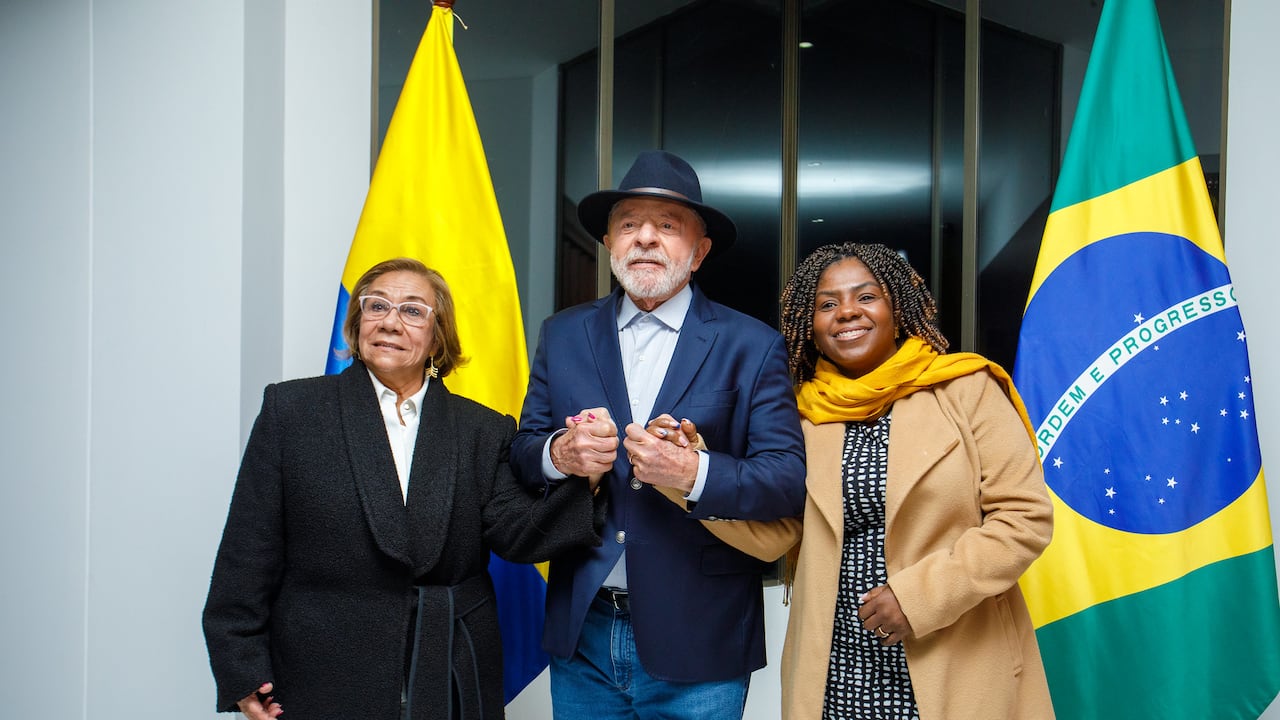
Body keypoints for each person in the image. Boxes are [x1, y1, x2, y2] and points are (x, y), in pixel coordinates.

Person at [202, 258, 603, 720]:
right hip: (320, 671)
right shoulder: (292, 411)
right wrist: (242, 668)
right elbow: (248, 552)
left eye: (412, 311)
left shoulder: (482, 428)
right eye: (377, 307)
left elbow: (516, 532)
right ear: (356, 324)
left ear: (438, 336)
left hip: (448, 668)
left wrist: (586, 477)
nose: (390, 321)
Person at [671, 242, 1055, 719]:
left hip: (952, 650)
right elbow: (778, 535)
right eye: (827, 305)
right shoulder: (803, 417)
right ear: (809, 328)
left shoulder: (968, 389)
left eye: (865, 297)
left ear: (898, 308)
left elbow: (1023, 520)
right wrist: (690, 474)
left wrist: (918, 598)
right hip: (837, 668)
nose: (846, 313)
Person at [509, 150, 808, 719]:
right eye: (628, 225)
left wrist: (695, 474)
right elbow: (523, 453)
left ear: (699, 252)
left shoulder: (753, 345)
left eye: (666, 226)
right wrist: (559, 453)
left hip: (703, 636)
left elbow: (787, 481)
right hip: (584, 633)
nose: (644, 238)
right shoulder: (562, 334)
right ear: (609, 244)